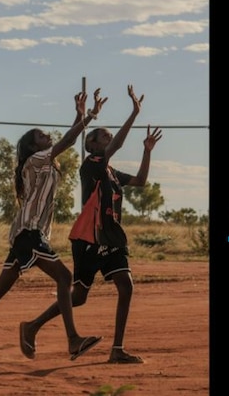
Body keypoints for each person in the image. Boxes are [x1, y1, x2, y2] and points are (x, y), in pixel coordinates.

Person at [0, 89, 107, 362]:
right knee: (64, 277)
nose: (46, 135)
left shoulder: (44, 161)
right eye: (41, 136)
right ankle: (72, 340)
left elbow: (67, 139)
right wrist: (90, 116)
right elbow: (69, 140)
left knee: (1, 288)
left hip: (26, 232)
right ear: (34, 147)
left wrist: (79, 115)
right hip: (29, 232)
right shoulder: (35, 161)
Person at [20, 85, 162, 364]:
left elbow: (142, 182)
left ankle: (117, 349)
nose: (109, 138)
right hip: (88, 239)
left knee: (126, 286)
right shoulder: (92, 164)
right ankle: (32, 326)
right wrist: (134, 113)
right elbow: (116, 145)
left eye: (109, 136)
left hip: (111, 237)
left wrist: (147, 151)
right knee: (80, 296)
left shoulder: (110, 171)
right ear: (94, 145)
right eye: (104, 136)